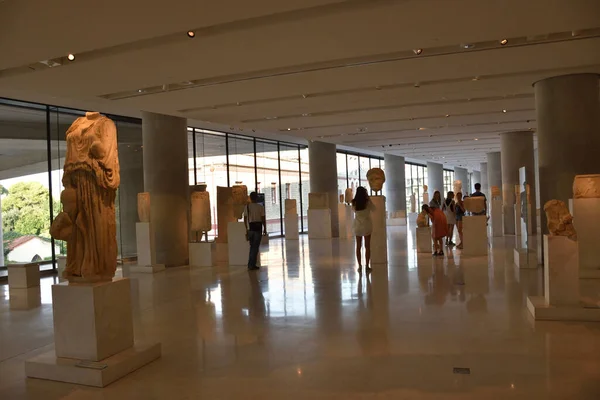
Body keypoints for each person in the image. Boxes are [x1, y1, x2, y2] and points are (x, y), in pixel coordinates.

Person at [352, 186, 374, 272]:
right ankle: (367, 266)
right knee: (367, 246)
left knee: (358, 246)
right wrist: (369, 199)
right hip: (366, 225)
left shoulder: (354, 202)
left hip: (357, 225)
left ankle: (360, 266)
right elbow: (373, 209)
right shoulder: (367, 202)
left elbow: (354, 210)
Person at [243, 192, 267, 270]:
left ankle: (251, 264)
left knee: (252, 247)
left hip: (250, 228)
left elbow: (245, 219)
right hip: (258, 228)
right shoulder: (260, 207)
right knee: (255, 247)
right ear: (257, 198)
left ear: (250, 198)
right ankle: (251, 264)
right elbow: (263, 219)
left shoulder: (247, 207)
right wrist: (265, 229)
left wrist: (246, 228)